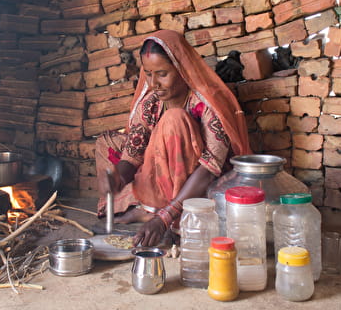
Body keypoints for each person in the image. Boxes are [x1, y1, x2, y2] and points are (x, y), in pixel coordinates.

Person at [95, 29, 252, 247]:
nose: (153, 83)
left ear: (182, 70)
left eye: (162, 74)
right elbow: (133, 154)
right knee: (107, 142)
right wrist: (117, 178)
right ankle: (149, 209)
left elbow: (209, 170)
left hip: (201, 186)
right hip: (163, 174)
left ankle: (172, 219)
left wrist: (165, 219)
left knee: (174, 120)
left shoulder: (207, 104)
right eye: (148, 74)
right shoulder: (151, 102)